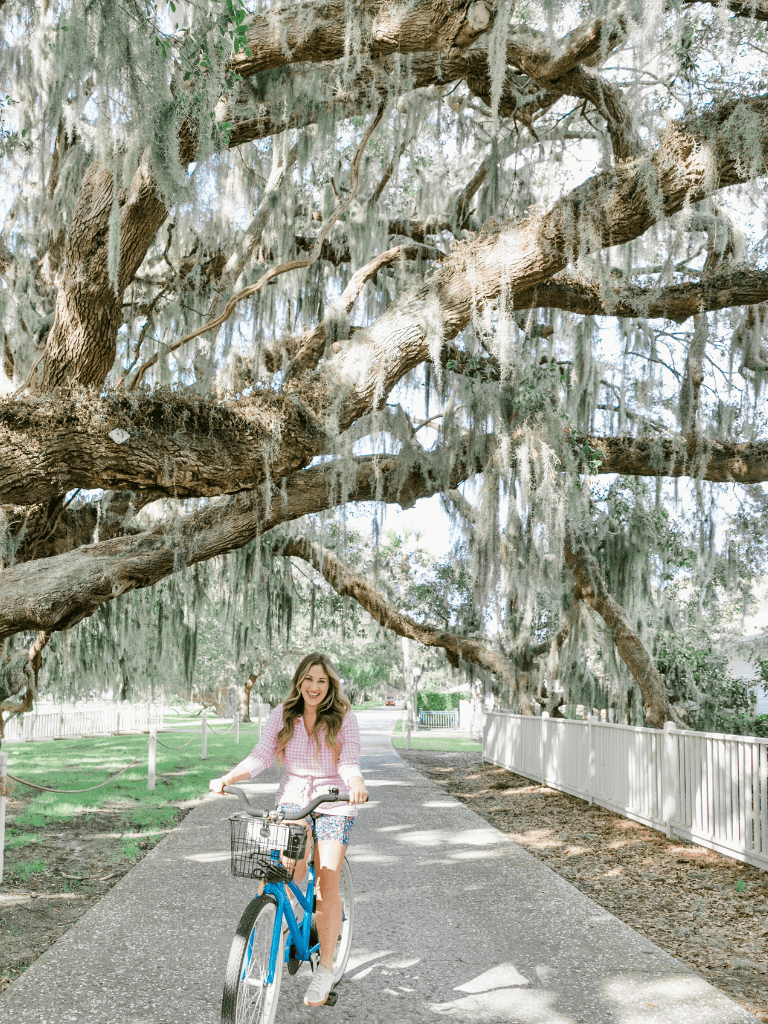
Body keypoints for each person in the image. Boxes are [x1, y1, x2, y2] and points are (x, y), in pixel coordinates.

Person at [209, 652, 368, 1008]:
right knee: (281, 868)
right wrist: (227, 778)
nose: (314, 687)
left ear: (330, 686)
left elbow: (349, 760)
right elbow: (261, 756)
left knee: (327, 878)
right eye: (309, 680)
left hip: (334, 802)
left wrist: (355, 782)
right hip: (294, 802)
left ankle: (325, 968)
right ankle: (280, 921)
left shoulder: (344, 718)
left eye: (322, 681)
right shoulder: (284, 714)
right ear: (299, 682)